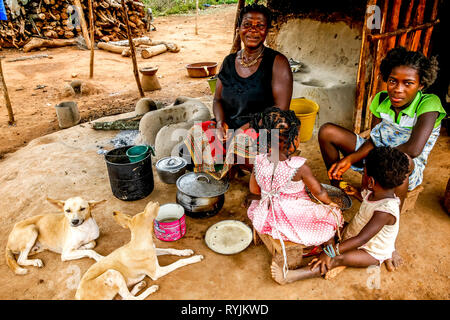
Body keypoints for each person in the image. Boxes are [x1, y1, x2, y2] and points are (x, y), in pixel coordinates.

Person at [318, 47, 446, 206]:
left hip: (404, 166)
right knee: (327, 131)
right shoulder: (381, 100)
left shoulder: (429, 103)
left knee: (402, 161)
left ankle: (390, 217)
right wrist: (351, 158)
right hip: (375, 155)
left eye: (408, 83)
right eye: (393, 81)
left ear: (421, 85)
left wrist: (372, 162)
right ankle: (337, 189)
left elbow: (413, 150)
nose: (398, 89)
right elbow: (374, 139)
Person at [181, 4, 293, 180]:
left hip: (263, 128)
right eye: (247, 24)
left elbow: (279, 111)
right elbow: (217, 99)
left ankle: (256, 179)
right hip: (230, 125)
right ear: (238, 28)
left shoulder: (277, 62)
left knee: (242, 142)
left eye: (260, 26)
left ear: (267, 31)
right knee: (196, 134)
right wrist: (219, 123)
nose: (253, 31)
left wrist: (243, 129)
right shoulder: (229, 61)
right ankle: (220, 173)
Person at [271, 146, 410, 284]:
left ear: (371, 182)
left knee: (336, 259)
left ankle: (291, 276)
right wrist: (356, 193)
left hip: (370, 251)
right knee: (329, 220)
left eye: (364, 172)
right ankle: (333, 247)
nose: (363, 174)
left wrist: (329, 252)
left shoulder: (385, 211)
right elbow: (370, 206)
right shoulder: (377, 192)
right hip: (353, 233)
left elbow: (361, 240)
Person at [246, 107, 343, 278]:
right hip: (292, 214)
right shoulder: (298, 167)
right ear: (288, 141)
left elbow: (254, 189)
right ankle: (330, 252)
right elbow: (319, 191)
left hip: (268, 211)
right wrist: (330, 203)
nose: (297, 139)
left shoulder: (259, 160)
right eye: (296, 136)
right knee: (331, 218)